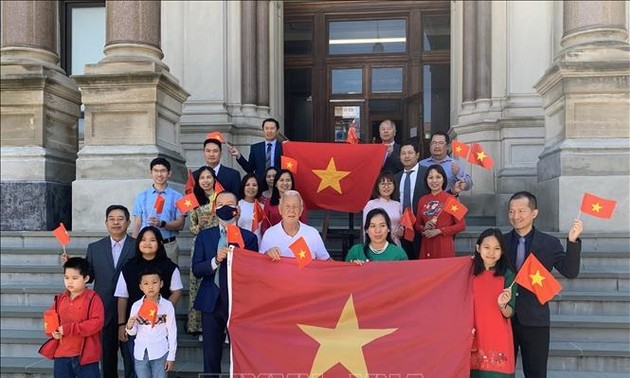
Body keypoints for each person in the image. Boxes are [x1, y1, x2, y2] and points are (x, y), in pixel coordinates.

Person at [505, 191, 583, 377]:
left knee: (536, 373)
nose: (516, 216)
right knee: (502, 371)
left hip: (535, 319)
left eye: (521, 211)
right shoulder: (500, 241)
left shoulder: (549, 243)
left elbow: (570, 272)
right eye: (511, 211)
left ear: (534, 213)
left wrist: (572, 242)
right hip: (504, 317)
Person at [192, 191, 259, 375]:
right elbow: (197, 269)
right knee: (211, 356)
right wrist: (215, 260)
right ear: (214, 209)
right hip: (211, 302)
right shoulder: (204, 237)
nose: (225, 207)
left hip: (238, 304)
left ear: (237, 209)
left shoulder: (249, 238)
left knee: (241, 354)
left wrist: (238, 258)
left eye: (230, 204)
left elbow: (253, 273)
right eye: (220, 204)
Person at [115, 227, 183, 356]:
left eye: (152, 240)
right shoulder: (128, 267)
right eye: (143, 240)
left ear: (160, 243)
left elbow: (177, 291)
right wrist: (122, 323)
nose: (147, 243)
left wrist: (163, 310)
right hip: (135, 325)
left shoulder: (169, 266)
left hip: (160, 326)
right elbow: (122, 297)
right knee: (135, 367)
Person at [86, 205, 136, 378]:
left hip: (131, 312)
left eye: (120, 219)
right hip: (104, 310)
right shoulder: (94, 248)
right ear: (106, 222)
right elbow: (89, 277)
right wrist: (73, 266)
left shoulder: (137, 246)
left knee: (131, 359)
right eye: (112, 219)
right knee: (107, 359)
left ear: (128, 222)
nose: (116, 223)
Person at [44, 257, 104, 378]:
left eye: (74, 278)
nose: (69, 282)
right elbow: (50, 317)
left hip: (86, 355)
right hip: (62, 354)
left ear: (86, 278)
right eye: (66, 278)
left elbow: (97, 322)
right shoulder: (60, 298)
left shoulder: (93, 299)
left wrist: (70, 329)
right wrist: (52, 331)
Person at [471, 228, 516, 378]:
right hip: (473, 334)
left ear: (502, 252)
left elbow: (509, 312)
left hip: (497, 336)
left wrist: (503, 304)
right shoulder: (467, 271)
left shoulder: (508, 275)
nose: (491, 252)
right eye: (487, 247)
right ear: (478, 248)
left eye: (497, 248)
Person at [125, 267, 177, 378]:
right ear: (141, 286)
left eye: (154, 282)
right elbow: (132, 333)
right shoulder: (136, 306)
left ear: (161, 284)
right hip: (140, 352)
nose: (150, 286)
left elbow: (172, 331)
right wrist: (129, 326)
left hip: (160, 351)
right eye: (146, 283)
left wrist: (171, 356)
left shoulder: (167, 306)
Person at [132, 157, 184, 265]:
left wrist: (162, 224)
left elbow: (180, 224)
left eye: (163, 171)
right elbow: (137, 223)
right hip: (145, 246)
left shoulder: (179, 197)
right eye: (156, 171)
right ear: (151, 173)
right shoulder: (141, 196)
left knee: (168, 278)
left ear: (169, 173)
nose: (159, 174)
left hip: (168, 245)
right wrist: (133, 244)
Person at [187, 166, 219, 338]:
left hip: (218, 243)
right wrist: (199, 226)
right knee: (196, 284)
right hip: (200, 244)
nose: (206, 180)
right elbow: (191, 227)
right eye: (202, 178)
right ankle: (196, 325)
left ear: (214, 179)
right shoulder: (194, 200)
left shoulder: (221, 197)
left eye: (209, 177)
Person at [260, 190, 330, 261]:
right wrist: (267, 254)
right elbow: (261, 264)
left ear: (301, 210)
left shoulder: (312, 233)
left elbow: (326, 262)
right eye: (287, 206)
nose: (291, 210)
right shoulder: (269, 234)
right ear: (280, 209)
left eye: (295, 206)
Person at [414, 164, 466, 259]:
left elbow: (462, 225)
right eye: (430, 177)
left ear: (443, 179)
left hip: (443, 245)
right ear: (426, 180)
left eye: (438, 177)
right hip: (427, 244)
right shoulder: (422, 200)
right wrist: (424, 227)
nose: (434, 181)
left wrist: (439, 231)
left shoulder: (451, 199)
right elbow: (417, 225)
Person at [394, 141, 429, 259]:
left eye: (410, 152)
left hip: (422, 225)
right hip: (402, 227)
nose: (406, 156)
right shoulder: (396, 177)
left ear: (417, 155)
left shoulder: (427, 173)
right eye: (403, 153)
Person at [228, 118, 283, 183]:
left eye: (272, 128)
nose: (269, 131)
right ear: (263, 130)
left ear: (277, 131)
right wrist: (238, 156)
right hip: (260, 183)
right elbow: (250, 169)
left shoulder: (283, 147)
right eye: (267, 128)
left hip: (278, 183)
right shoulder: (255, 148)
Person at [419, 131, 472, 196]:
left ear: (447, 147)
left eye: (441, 143)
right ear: (430, 145)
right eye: (434, 143)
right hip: (427, 203)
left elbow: (469, 184)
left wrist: (458, 174)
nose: (437, 146)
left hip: (449, 203)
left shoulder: (455, 164)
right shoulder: (421, 164)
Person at [261, 169, 308, 234]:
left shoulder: (299, 202)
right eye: (281, 180)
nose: (285, 183)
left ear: (292, 183)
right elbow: (265, 226)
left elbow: (304, 225)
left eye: (288, 180)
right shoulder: (269, 203)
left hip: (295, 240)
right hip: (274, 241)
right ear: (276, 184)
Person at [363, 172, 403, 247]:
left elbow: (401, 224)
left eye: (389, 183)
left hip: (395, 244)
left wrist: (401, 230)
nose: (386, 187)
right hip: (376, 244)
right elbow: (366, 228)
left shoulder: (398, 205)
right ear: (377, 187)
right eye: (382, 184)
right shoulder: (370, 204)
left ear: (394, 186)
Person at [237, 173, 263, 244]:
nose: (251, 187)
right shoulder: (237, 206)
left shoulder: (262, 207)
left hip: (258, 245)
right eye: (247, 185)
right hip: (242, 244)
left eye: (254, 185)